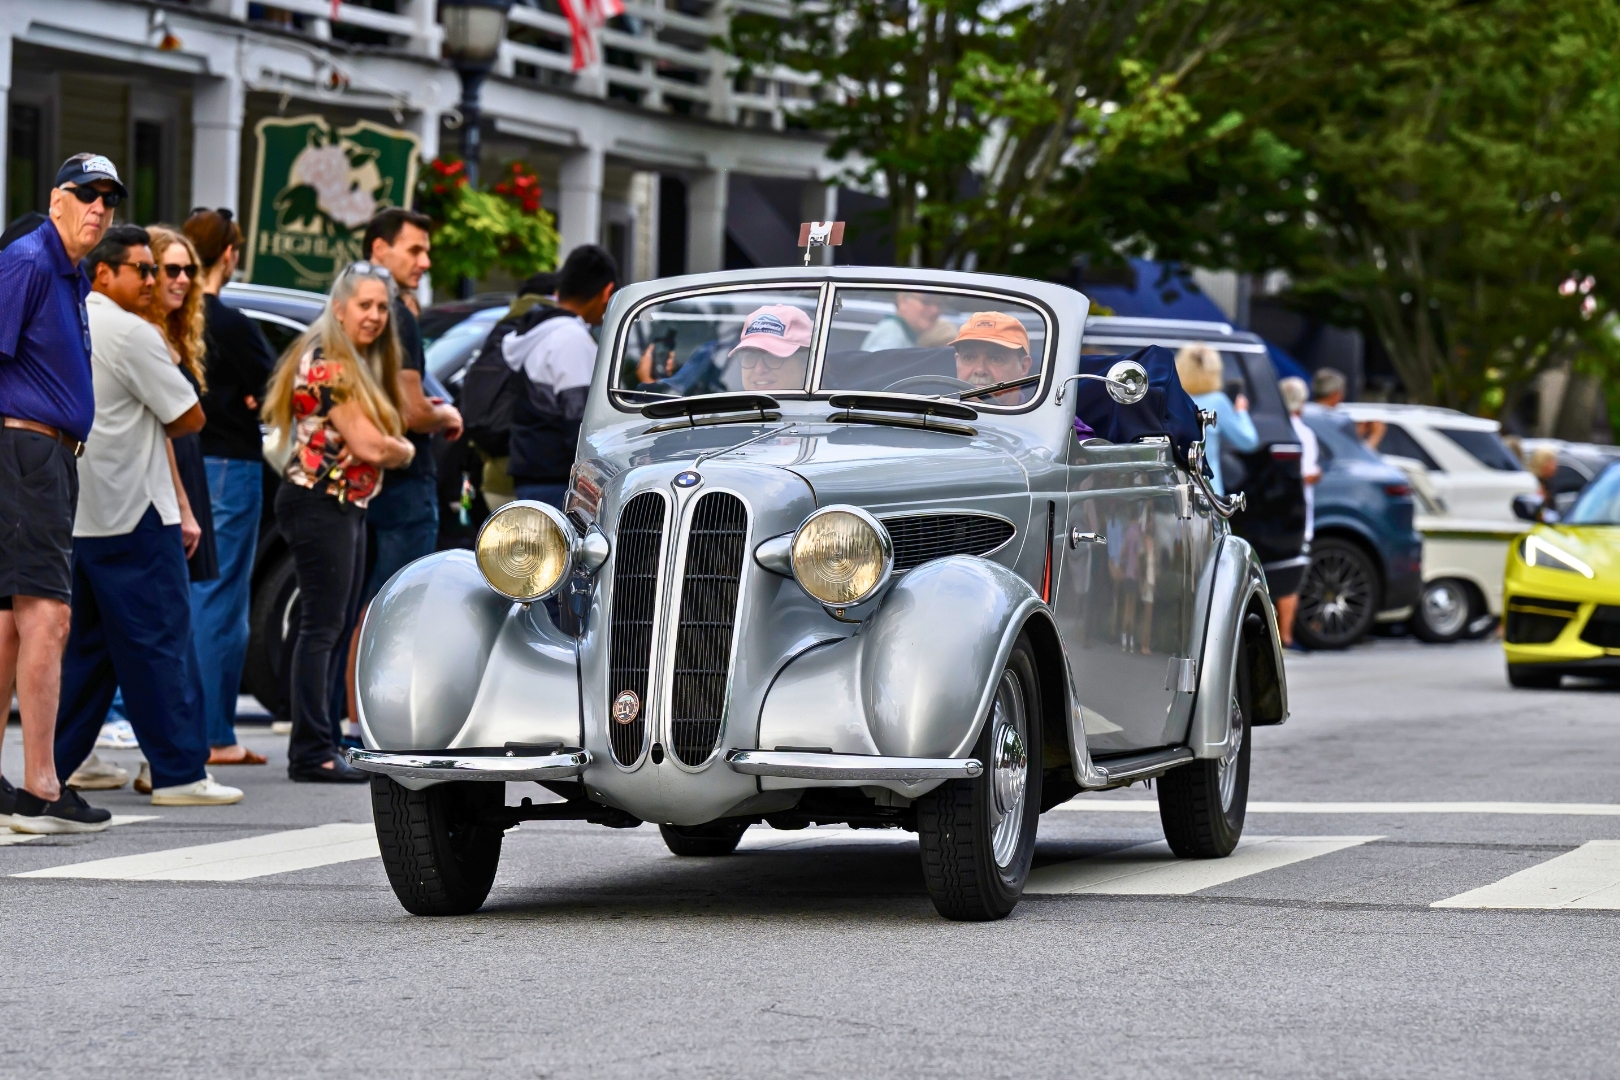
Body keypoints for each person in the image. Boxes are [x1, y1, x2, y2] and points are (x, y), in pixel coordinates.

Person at [50, 223, 244, 814]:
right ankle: (179, 771)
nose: (155, 280)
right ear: (104, 272)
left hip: (80, 509)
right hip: (136, 509)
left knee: (90, 654)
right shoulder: (132, 332)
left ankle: (50, 771)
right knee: (159, 643)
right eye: (143, 268)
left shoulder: (68, 319)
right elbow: (188, 416)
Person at [0, 154, 119, 832]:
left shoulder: (64, 268)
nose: (99, 209)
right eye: (86, 195)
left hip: (40, 452)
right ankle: (42, 785)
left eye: (108, 199)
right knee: (49, 616)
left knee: (10, 626)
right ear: (56, 200)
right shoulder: (28, 260)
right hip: (26, 450)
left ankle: (19, 783)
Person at [262, 261, 413, 782]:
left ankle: (322, 742)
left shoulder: (351, 360)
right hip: (318, 502)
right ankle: (311, 752)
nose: (374, 316)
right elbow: (370, 444)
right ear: (340, 308)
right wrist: (404, 448)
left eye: (381, 307)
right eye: (364, 306)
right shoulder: (330, 364)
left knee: (330, 626)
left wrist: (386, 445)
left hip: (339, 503)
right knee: (321, 629)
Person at [183, 208, 277, 765]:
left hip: (180, 462)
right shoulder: (232, 324)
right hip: (230, 463)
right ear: (229, 254)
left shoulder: (172, 315)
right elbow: (269, 390)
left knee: (190, 595)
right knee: (221, 600)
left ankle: (191, 726)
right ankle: (214, 732)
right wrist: (240, 402)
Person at [504, 244, 618, 507]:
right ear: (607, 292)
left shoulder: (538, 331)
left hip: (531, 473)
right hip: (559, 483)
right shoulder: (571, 339)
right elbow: (580, 424)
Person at [1176, 344, 1258, 496]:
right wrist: (1241, 412)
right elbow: (1248, 441)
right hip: (1207, 493)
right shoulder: (1217, 402)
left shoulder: (1169, 399)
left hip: (1172, 493)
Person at [1277, 376, 1321, 649]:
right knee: (1291, 576)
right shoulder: (1304, 433)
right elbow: (1306, 474)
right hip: (1297, 513)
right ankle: (1286, 635)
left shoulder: (1271, 429)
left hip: (1269, 512)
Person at [950, 311, 1035, 403]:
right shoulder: (937, 411)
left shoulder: (1042, 415)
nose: (980, 370)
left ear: (1023, 367)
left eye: (996, 359)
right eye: (969, 357)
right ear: (957, 361)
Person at [732, 305, 813, 393]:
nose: (759, 369)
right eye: (750, 357)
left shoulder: (825, 405)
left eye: (773, 357)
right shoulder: (724, 405)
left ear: (806, 366)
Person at [860, 291, 951, 351]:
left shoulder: (905, 334)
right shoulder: (891, 335)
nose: (935, 310)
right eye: (926, 302)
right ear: (902, 301)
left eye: (939, 304)